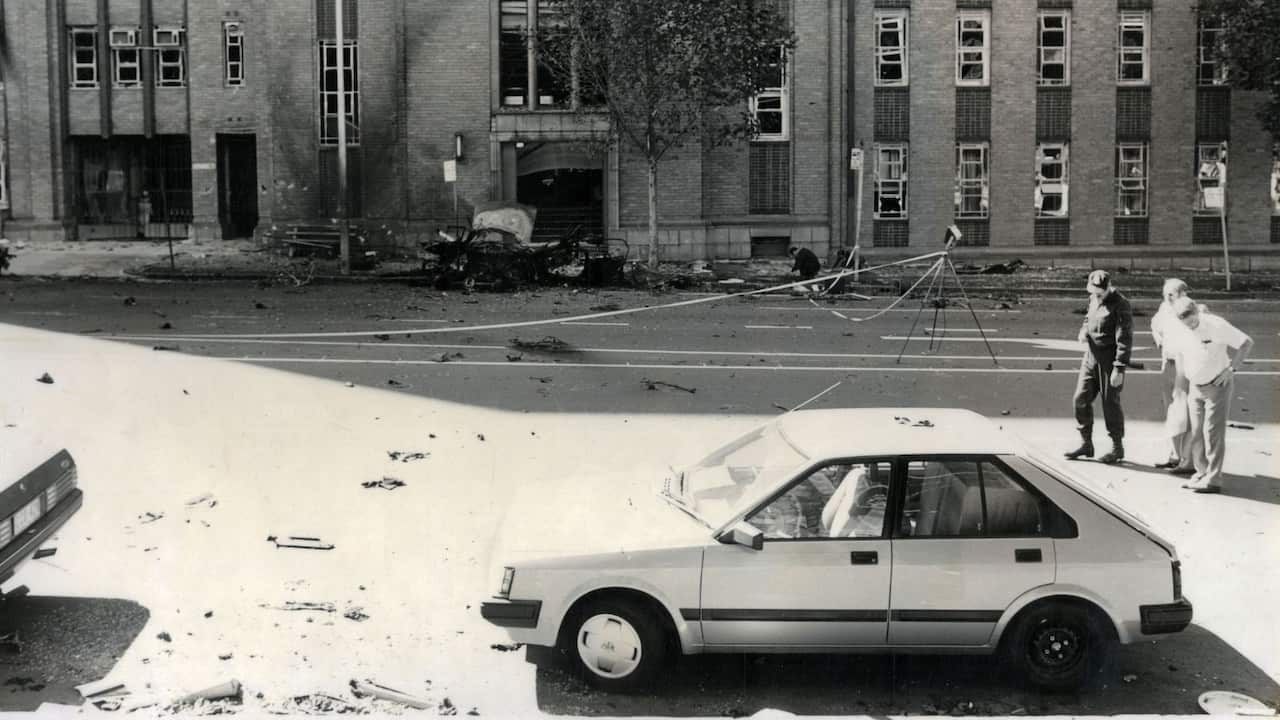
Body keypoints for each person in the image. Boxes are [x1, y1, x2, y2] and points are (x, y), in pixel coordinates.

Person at [1167, 297, 1253, 494]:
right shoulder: (1180, 329)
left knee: (1212, 432)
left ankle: (1214, 479)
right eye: (1186, 324)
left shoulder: (1216, 325)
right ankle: (1201, 472)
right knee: (1196, 432)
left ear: (1198, 312)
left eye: (1193, 322)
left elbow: (1246, 342)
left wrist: (1231, 369)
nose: (1191, 327)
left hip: (1217, 385)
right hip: (1195, 385)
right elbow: (1180, 354)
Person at [1065, 270, 1132, 464]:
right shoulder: (1093, 299)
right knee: (1080, 399)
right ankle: (1086, 443)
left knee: (1110, 404)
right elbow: (1088, 318)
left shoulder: (1121, 304)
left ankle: (1117, 447)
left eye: (1100, 293)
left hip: (1109, 361)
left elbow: (1125, 338)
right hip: (1091, 357)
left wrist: (1119, 368)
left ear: (1109, 287)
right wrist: (1084, 331)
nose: (1096, 296)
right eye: (1094, 292)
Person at [1150, 279, 1196, 474]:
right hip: (1167, 364)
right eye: (1165, 292)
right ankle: (1174, 456)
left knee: (1184, 412)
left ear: (1183, 294)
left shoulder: (1188, 309)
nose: (1167, 296)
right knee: (1171, 411)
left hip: (1183, 366)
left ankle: (1188, 460)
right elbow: (1154, 324)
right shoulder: (1164, 308)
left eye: (1172, 293)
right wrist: (1157, 337)